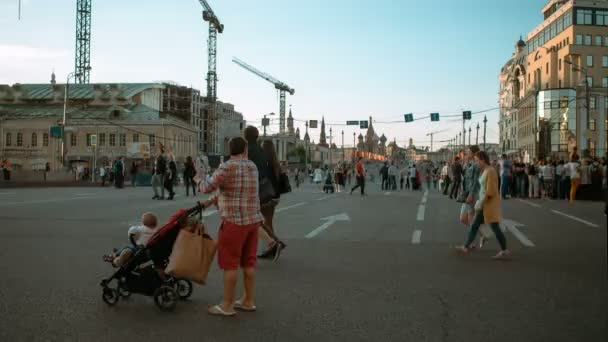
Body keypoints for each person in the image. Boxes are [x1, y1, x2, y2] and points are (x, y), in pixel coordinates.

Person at [200, 137, 263, 317]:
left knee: (231, 265)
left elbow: (207, 187)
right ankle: (248, 300)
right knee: (249, 262)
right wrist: (213, 200)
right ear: (245, 149)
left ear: (230, 150)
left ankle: (227, 305)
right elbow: (236, 189)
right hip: (253, 221)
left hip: (234, 223)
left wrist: (199, 178)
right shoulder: (253, 166)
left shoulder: (227, 167)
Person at [456, 151, 510, 259]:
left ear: (483, 160)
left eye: (477, 160)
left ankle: (504, 250)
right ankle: (466, 246)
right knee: (475, 225)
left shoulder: (490, 171)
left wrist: (481, 202)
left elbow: (490, 191)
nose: (476, 163)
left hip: (488, 204)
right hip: (485, 204)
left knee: (494, 227)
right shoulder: (486, 170)